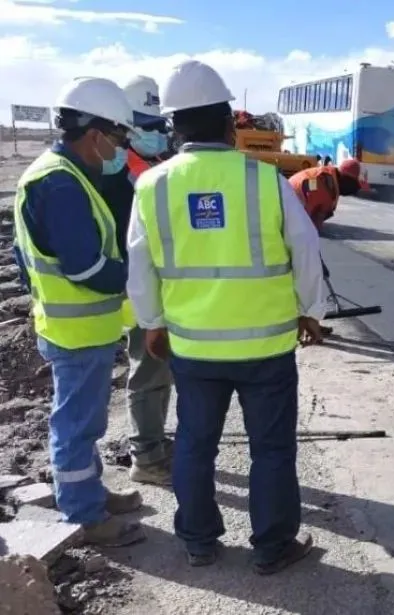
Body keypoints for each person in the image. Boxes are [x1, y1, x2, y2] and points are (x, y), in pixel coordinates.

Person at [127, 60, 325, 573]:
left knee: (194, 445)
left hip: (193, 349)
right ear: (227, 124)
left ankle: (198, 541)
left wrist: (152, 321)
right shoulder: (264, 179)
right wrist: (311, 311)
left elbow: (139, 263)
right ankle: (273, 546)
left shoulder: (151, 186)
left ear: (175, 127)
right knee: (272, 450)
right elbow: (304, 246)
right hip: (265, 348)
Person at [11, 76, 146, 547]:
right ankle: (84, 516)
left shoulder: (59, 175)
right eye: (120, 137)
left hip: (77, 325)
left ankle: (90, 492)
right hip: (77, 330)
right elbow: (86, 267)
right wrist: (139, 276)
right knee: (75, 423)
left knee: (86, 420)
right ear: (96, 133)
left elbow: (19, 255)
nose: (121, 147)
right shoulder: (61, 184)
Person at [99, 74, 175, 485]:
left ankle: (154, 443)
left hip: (155, 285)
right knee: (148, 372)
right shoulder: (118, 172)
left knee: (159, 372)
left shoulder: (144, 165)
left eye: (158, 126)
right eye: (148, 128)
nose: (158, 134)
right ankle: (146, 458)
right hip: (138, 288)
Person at [288, 159, 366, 231]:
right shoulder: (321, 182)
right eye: (352, 183)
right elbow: (307, 210)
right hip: (289, 203)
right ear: (345, 178)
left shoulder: (330, 180)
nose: (352, 189)